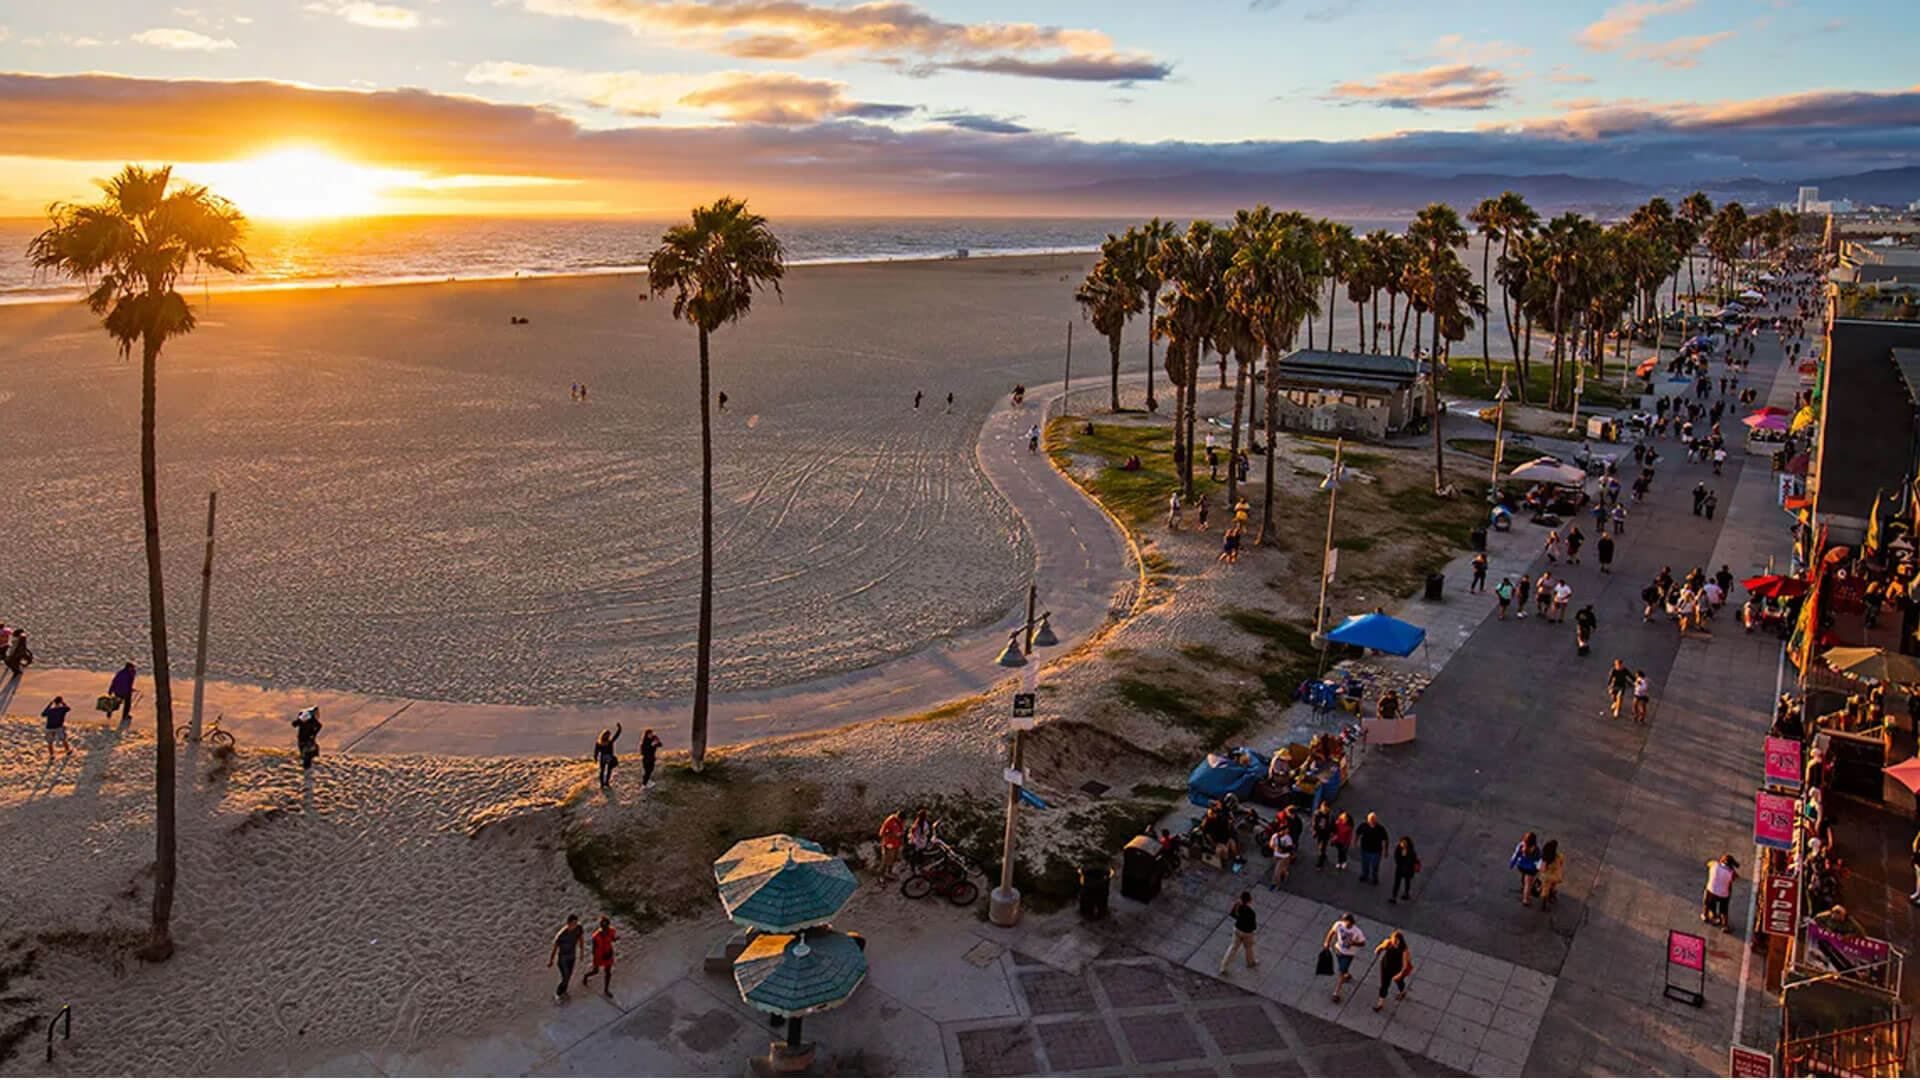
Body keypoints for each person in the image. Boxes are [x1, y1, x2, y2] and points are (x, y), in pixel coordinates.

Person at [1324, 913, 1367, 1003]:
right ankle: (1346, 975)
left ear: (1352, 923)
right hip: (1338, 950)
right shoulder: (1339, 925)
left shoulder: (1357, 932)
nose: (1347, 925)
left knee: (1341, 971)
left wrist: (1354, 943)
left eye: (1349, 924)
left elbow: (1363, 943)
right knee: (1342, 968)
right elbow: (1332, 932)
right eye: (1345, 923)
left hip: (1348, 954)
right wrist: (1327, 942)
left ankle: (1336, 993)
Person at [1219, 891, 1259, 974]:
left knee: (1233, 948)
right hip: (1247, 933)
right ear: (1250, 900)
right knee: (1249, 947)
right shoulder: (1251, 913)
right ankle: (1250, 962)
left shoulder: (1237, 906)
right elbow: (1253, 926)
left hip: (1237, 929)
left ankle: (1224, 967)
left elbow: (1232, 915)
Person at [548, 914, 584, 1002]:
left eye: (576, 923)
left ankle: (564, 991)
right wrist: (551, 960)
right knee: (566, 976)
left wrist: (582, 952)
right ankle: (558, 993)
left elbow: (581, 940)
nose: (575, 925)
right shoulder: (561, 935)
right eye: (573, 923)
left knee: (569, 976)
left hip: (572, 956)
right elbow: (555, 948)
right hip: (563, 958)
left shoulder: (578, 929)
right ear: (568, 923)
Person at [1373, 930, 1412, 1011]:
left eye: (1396, 940)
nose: (1394, 942)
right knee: (1384, 985)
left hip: (1396, 970)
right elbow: (1380, 947)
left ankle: (1402, 992)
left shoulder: (1404, 950)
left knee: (1399, 982)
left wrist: (1400, 974)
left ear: (1400, 941)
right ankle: (1380, 1004)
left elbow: (1405, 965)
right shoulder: (1388, 942)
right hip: (1385, 967)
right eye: (1393, 939)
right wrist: (1378, 949)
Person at [1702, 853, 1740, 931]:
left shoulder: (1714, 865)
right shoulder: (1731, 873)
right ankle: (1725, 926)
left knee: (1707, 903)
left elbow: (1709, 863)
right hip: (1723, 894)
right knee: (1724, 910)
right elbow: (1735, 877)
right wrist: (1731, 869)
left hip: (1711, 890)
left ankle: (1705, 915)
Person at [586, 915, 617, 996]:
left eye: (606, 926)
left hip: (608, 954)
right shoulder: (595, 936)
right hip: (599, 956)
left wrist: (615, 939)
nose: (605, 929)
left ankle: (606, 990)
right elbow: (593, 949)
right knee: (595, 971)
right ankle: (586, 976)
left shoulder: (612, 931)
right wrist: (596, 958)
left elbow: (612, 939)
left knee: (608, 973)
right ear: (601, 926)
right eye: (603, 926)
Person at [1356, 812, 1389, 885]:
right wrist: (1355, 842)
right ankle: (1365, 875)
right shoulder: (1363, 826)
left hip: (1376, 852)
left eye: (1373, 819)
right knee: (1365, 864)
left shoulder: (1380, 828)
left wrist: (1386, 851)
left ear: (1376, 820)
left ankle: (1374, 878)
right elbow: (1358, 833)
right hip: (1365, 850)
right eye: (1370, 819)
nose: (1371, 820)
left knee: (1374, 866)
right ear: (1367, 819)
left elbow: (1385, 839)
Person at [1510, 831, 1542, 906]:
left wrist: (1512, 863)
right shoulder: (1537, 850)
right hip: (1531, 869)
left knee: (1524, 876)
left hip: (1521, 866)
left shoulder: (1521, 845)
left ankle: (1524, 886)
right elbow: (1539, 860)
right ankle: (1526, 899)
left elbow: (1516, 855)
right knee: (1528, 884)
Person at [1389, 836, 1419, 903]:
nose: (1401, 843)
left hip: (1406, 869)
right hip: (1402, 868)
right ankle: (1395, 896)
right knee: (1399, 883)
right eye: (1401, 842)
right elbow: (1397, 856)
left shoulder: (1410, 850)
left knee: (1405, 882)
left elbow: (1413, 859)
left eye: (1403, 842)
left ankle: (1404, 894)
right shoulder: (1400, 848)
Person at [1537, 840, 1566, 909]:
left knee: (1545, 889)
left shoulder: (1544, 859)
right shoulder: (1559, 857)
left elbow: (1541, 868)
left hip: (1546, 876)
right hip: (1555, 876)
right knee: (1553, 886)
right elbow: (1561, 864)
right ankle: (1551, 895)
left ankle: (1544, 903)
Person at [878, 811, 906, 879]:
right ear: (897, 817)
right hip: (889, 844)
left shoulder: (902, 821)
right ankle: (881, 875)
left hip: (897, 843)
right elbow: (881, 833)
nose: (902, 821)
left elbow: (901, 830)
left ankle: (889, 872)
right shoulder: (889, 821)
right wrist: (892, 834)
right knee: (886, 860)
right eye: (901, 820)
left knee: (893, 859)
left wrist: (901, 836)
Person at [43, 695, 72, 760]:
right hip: (58, 727)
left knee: (50, 742)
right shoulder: (62, 709)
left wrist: (49, 704)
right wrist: (63, 703)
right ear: (60, 702)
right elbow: (68, 708)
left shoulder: (50, 710)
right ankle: (68, 751)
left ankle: (51, 755)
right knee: (63, 739)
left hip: (49, 727)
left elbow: (43, 714)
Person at [593, 725, 622, 789]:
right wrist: (619, 728)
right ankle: (606, 783)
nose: (609, 736)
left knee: (602, 771)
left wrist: (595, 759)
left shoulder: (599, 743)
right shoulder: (609, 742)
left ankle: (602, 784)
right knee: (608, 770)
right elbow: (616, 736)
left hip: (603, 758)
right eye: (609, 735)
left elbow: (596, 752)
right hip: (609, 757)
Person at [1269, 820, 1296, 889]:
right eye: (1287, 829)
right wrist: (1275, 847)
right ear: (1282, 830)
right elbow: (1271, 845)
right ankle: (1285, 874)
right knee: (1282, 869)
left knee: (1276, 871)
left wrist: (1283, 850)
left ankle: (1274, 884)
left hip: (1284, 857)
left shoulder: (1288, 838)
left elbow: (1290, 848)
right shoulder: (1275, 836)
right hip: (1276, 855)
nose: (1288, 831)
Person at [1312, 803, 1334, 869]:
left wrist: (1332, 832)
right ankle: (1323, 855)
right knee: (1321, 846)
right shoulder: (1317, 814)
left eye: (1325, 809)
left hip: (1326, 834)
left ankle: (1319, 864)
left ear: (1328, 809)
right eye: (1323, 809)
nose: (1324, 810)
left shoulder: (1330, 815)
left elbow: (1332, 824)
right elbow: (1314, 823)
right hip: (1319, 833)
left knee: (1321, 848)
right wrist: (1314, 830)